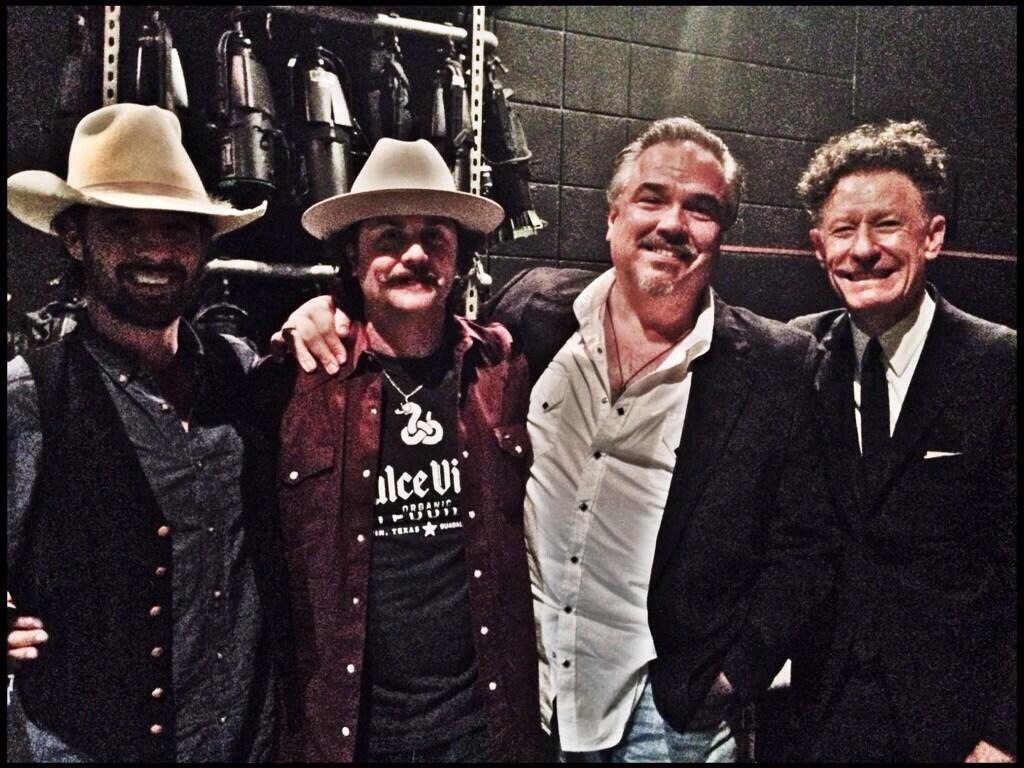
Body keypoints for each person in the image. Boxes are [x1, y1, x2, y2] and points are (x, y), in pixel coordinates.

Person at [275, 117, 835, 762]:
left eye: (701, 208)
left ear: (723, 233)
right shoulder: (533, 317)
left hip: (666, 710)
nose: (673, 224)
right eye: (652, 197)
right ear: (614, 215)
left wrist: (736, 671)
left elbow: (807, 542)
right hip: (528, 696)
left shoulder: (775, 364)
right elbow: (410, 322)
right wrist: (325, 310)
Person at [6, 103, 284, 762]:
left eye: (177, 228)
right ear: (75, 238)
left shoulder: (240, 372)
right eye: (124, 226)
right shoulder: (30, 394)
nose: (157, 250)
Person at [269, 138, 545, 762]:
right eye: (388, 236)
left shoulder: (503, 370)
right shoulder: (296, 383)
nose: (414, 254)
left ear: (459, 257)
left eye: (435, 237)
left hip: (484, 730)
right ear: (353, 253)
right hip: (349, 736)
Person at [789, 119, 1016, 763]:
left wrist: (1004, 731)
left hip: (957, 728)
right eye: (843, 230)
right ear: (818, 247)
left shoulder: (1000, 364)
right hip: (817, 718)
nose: (863, 249)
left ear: (932, 236)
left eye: (887, 224)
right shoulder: (795, 353)